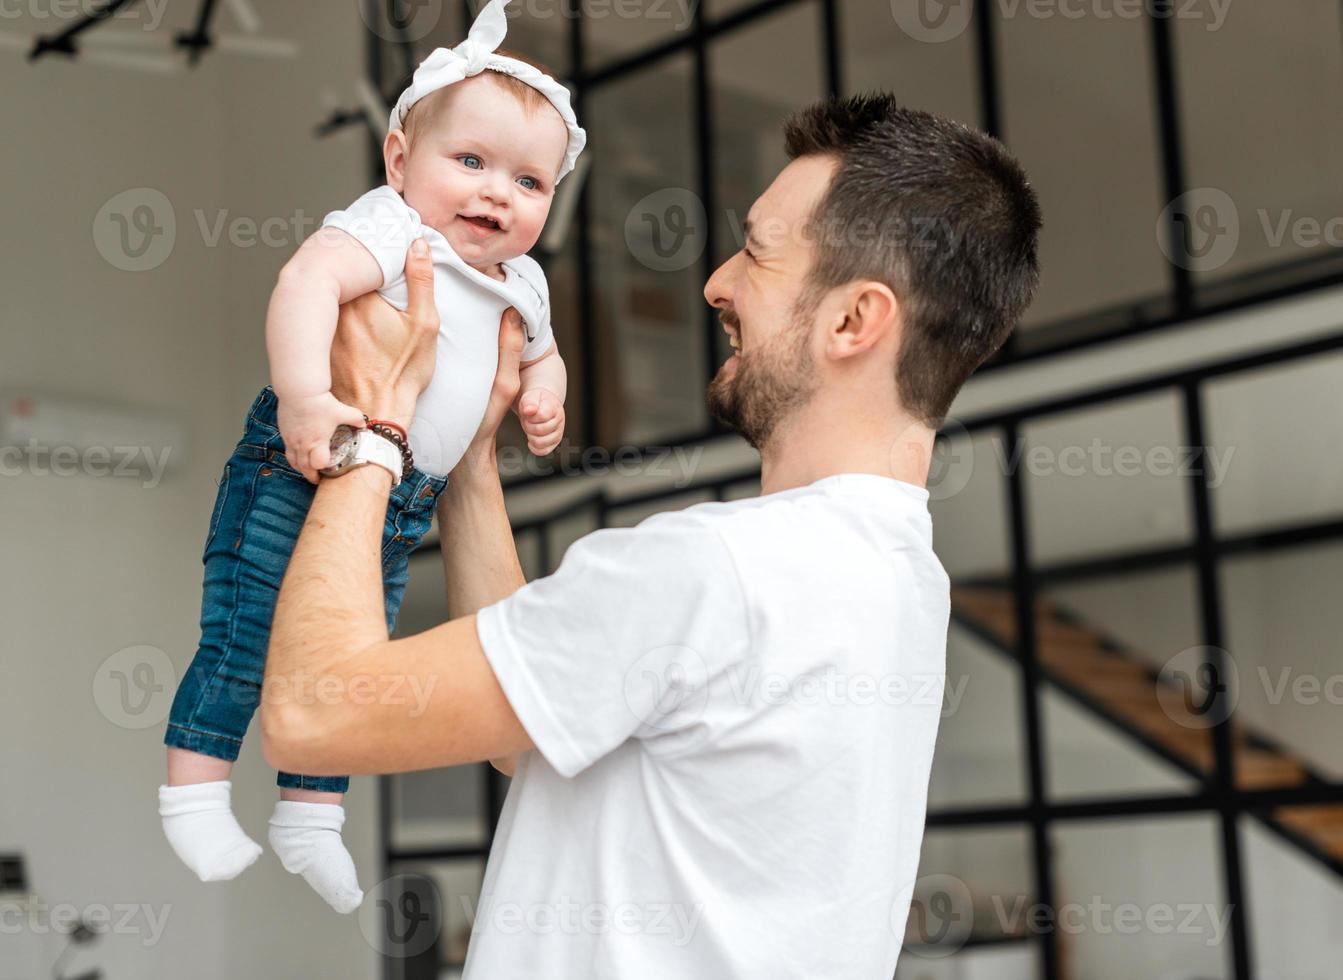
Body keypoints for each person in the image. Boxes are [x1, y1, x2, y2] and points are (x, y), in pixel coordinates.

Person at [262, 92, 1041, 977]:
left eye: (756, 253)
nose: (717, 283)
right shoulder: (897, 579)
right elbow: (533, 731)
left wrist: (379, 424)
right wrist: (472, 461)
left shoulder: (714, 570)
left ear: (853, 321)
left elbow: (312, 711)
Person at [157, 0, 583, 914]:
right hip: (303, 462)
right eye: (468, 162)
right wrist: (309, 395)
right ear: (399, 161)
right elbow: (306, 281)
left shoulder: (525, 280)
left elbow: (539, 347)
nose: (496, 193)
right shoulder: (393, 228)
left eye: (528, 182)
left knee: (352, 663)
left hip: (402, 496)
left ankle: (311, 822)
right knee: (246, 637)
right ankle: (191, 794)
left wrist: (544, 389)